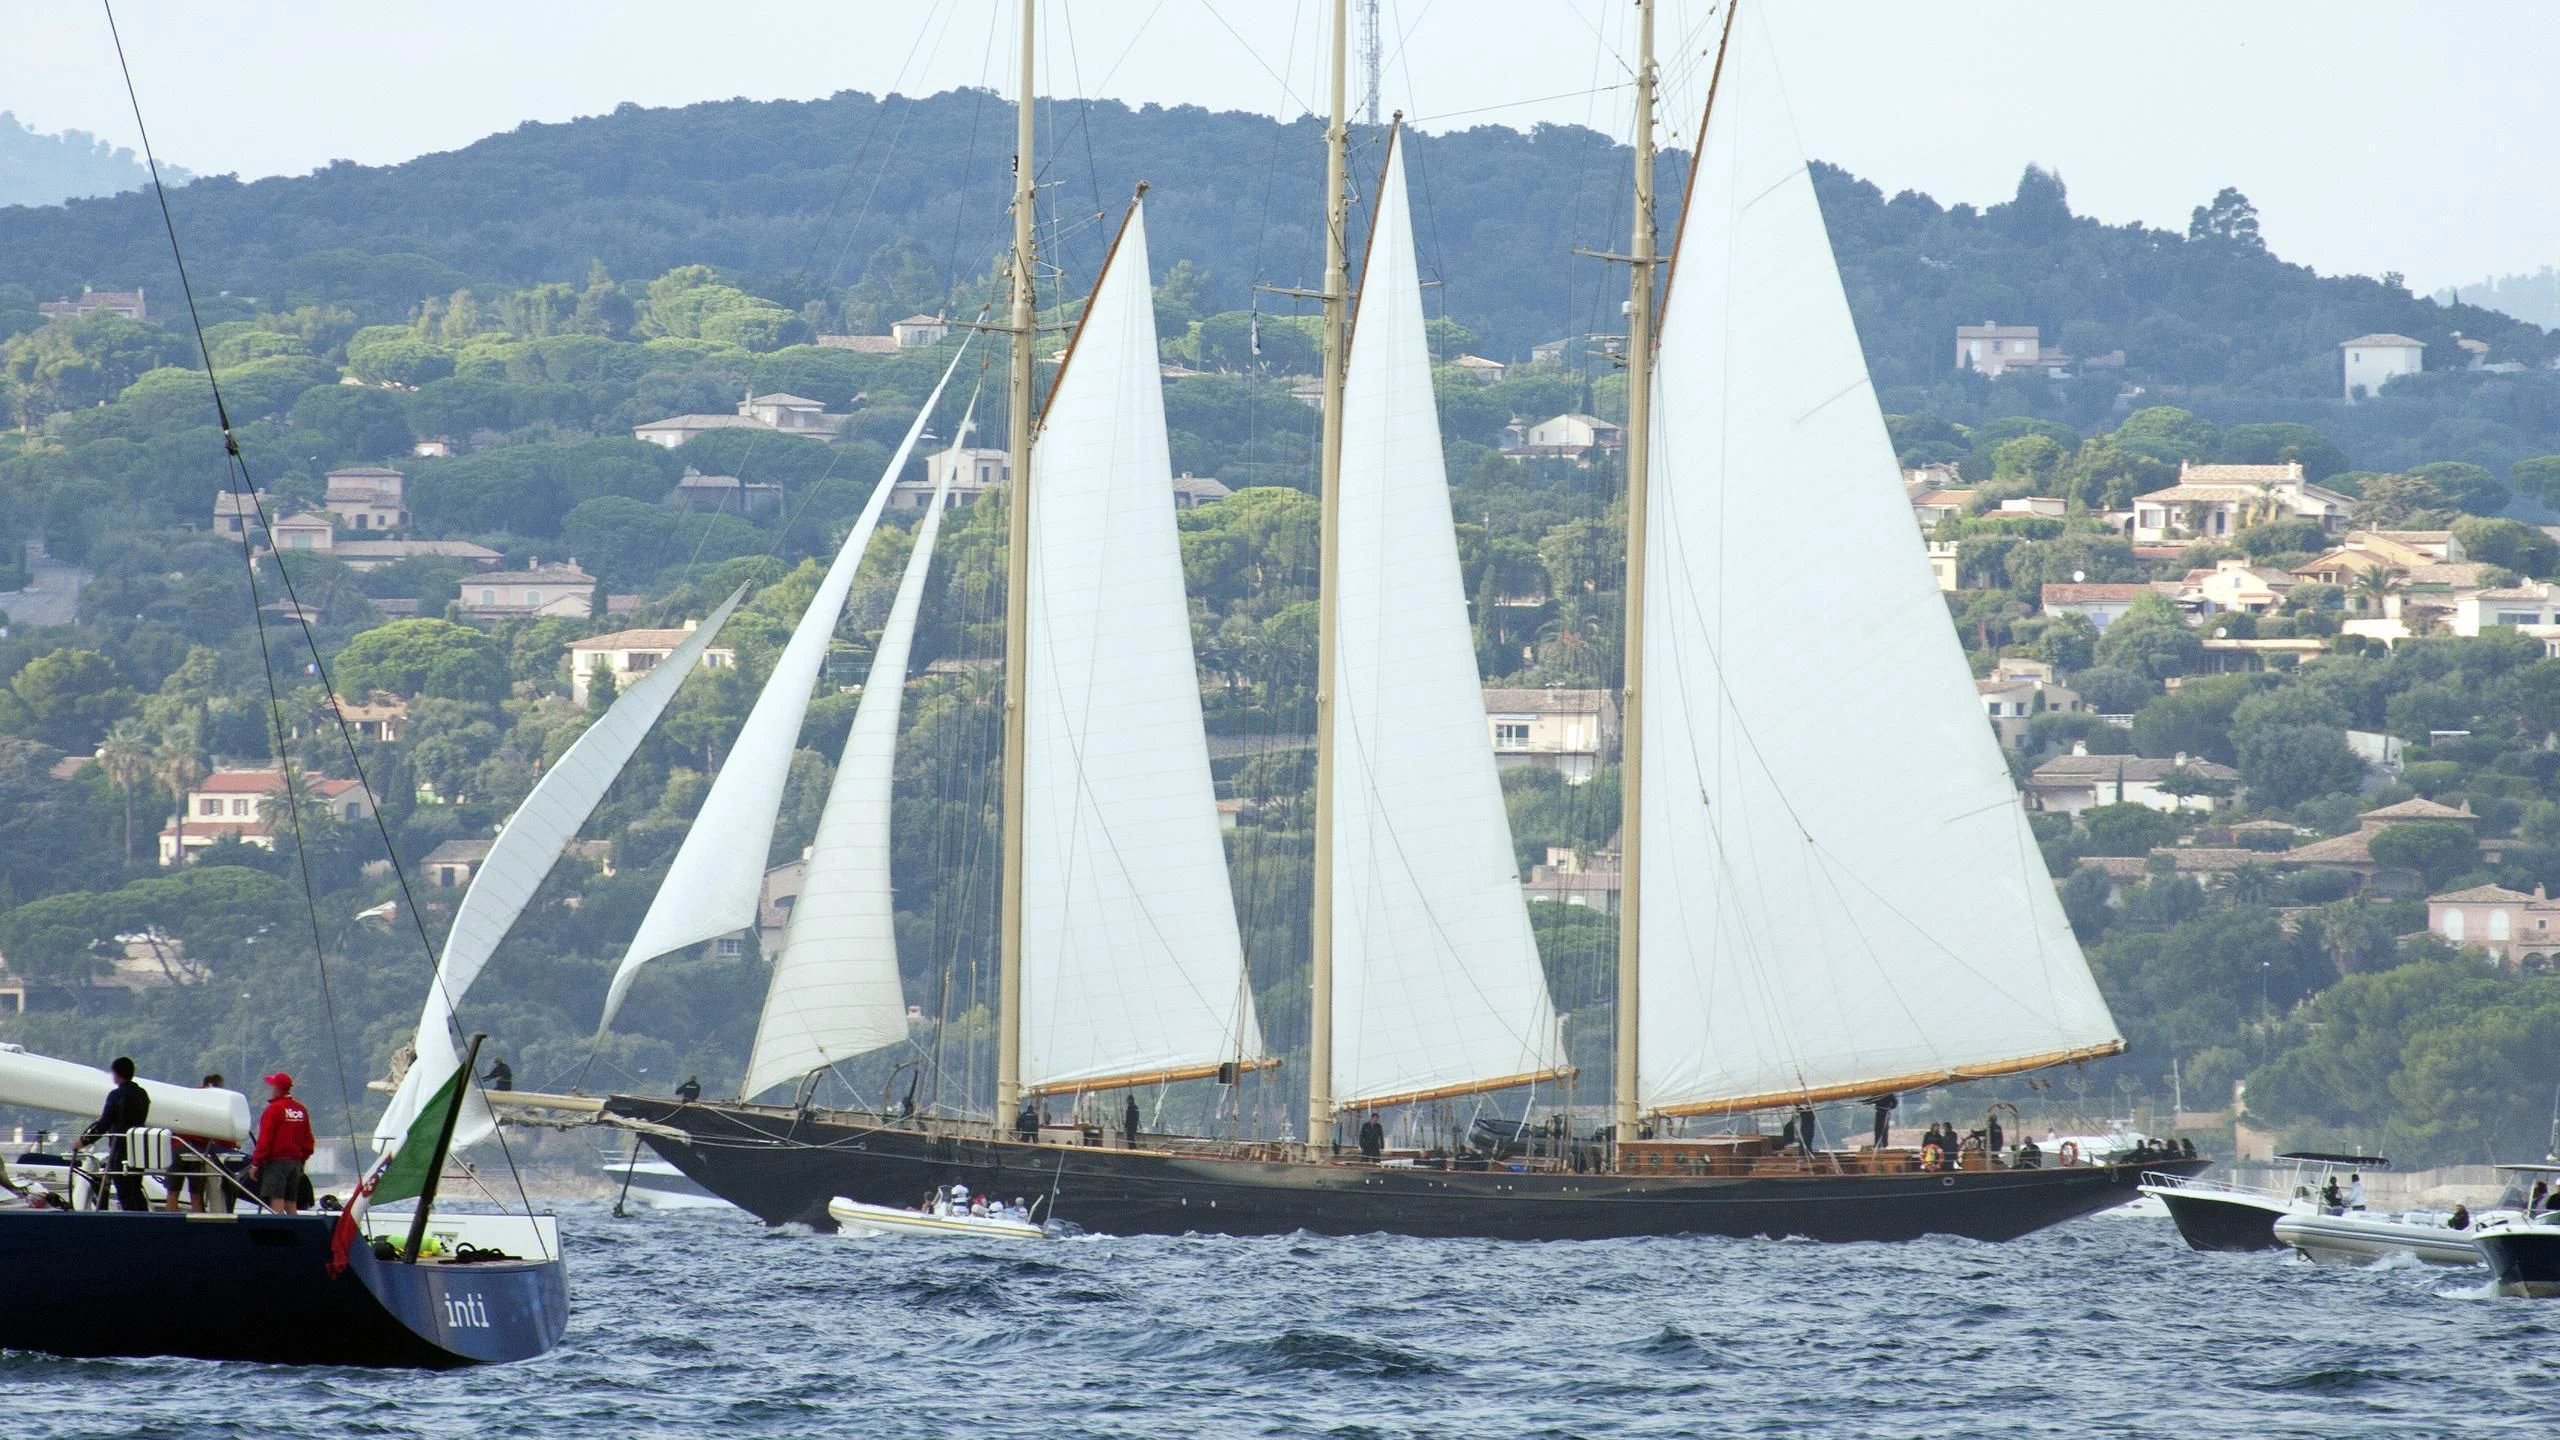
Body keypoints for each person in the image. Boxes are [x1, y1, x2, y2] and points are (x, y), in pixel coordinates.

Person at [80, 1056, 153, 1211]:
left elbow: (103, 1125)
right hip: (138, 1148)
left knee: (124, 1189)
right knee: (135, 1188)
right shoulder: (142, 1094)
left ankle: (130, 1221)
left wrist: (84, 1141)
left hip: (120, 1148)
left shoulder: (116, 1095)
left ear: (116, 1074)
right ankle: (144, 1220)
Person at [251, 1072, 316, 1216]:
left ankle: (278, 1234)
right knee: (290, 1202)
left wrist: (256, 1163)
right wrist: (301, 1159)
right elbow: (308, 1141)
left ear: (276, 1088)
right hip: (295, 1163)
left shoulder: (274, 1110)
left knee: (277, 1201)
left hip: (277, 1163)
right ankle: (297, 1233)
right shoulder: (300, 1110)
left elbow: (265, 1140)